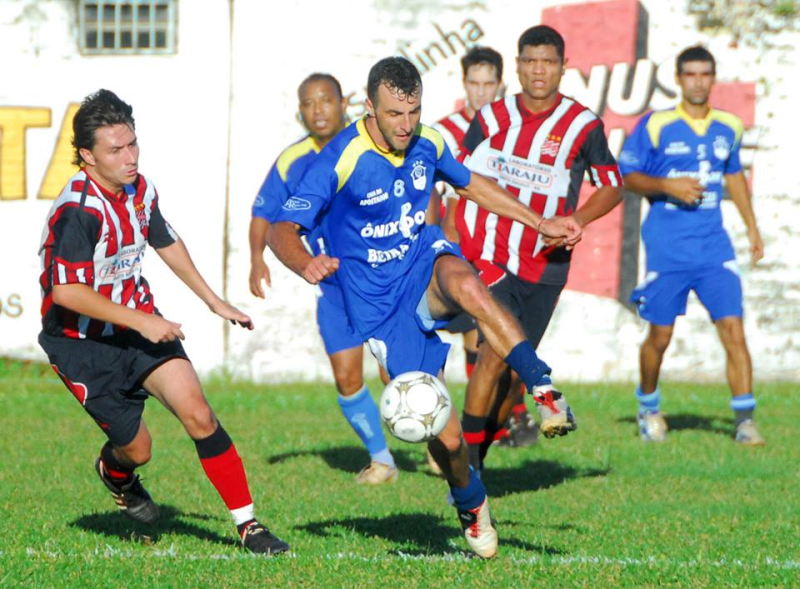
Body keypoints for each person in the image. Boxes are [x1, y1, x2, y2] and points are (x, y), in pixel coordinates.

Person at [268, 56, 581, 559]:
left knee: (471, 287)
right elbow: (281, 229)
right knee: (447, 437)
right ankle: (470, 502)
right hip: (380, 311)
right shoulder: (341, 158)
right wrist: (304, 263)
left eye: (413, 111)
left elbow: (470, 183)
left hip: (422, 263)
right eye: (394, 114)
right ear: (368, 106)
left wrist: (537, 221)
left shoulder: (428, 141)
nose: (406, 125)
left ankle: (543, 389)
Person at [37, 89, 289, 555]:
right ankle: (117, 474)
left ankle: (248, 526)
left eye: (132, 144)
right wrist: (141, 320)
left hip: (138, 324)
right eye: (116, 150)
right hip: (82, 344)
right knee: (139, 451)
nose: (129, 157)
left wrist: (215, 302)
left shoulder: (140, 189)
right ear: (87, 157)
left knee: (199, 413)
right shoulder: (77, 211)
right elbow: (66, 292)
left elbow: (164, 240)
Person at [457, 25, 623, 472]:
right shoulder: (491, 118)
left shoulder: (583, 126)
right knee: (493, 356)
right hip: (492, 256)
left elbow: (612, 186)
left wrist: (579, 220)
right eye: (530, 60)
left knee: (512, 376)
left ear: (564, 68)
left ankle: (477, 452)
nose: (538, 70)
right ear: (517, 65)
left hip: (546, 266)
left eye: (548, 62)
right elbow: (459, 177)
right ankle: (468, 466)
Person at [249, 73, 398, 484]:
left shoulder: (369, 146)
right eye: (309, 104)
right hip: (333, 288)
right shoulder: (291, 160)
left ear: (343, 103)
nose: (318, 111)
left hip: (382, 280)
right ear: (300, 111)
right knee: (347, 377)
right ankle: (382, 460)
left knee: (396, 374)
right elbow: (264, 214)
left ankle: (442, 445)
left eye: (326, 101)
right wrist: (256, 258)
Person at [619, 46, 765, 445]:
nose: (698, 81)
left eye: (705, 74)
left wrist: (752, 228)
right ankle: (649, 407)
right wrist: (667, 185)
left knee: (733, 329)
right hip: (667, 249)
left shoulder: (728, 126)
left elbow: (734, 176)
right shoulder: (656, 124)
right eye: (690, 74)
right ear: (679, 79)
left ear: (712, 78)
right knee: (660, 337)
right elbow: (628, 175)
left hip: (714, 249)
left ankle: (745, 421)